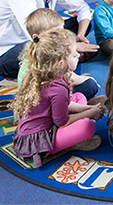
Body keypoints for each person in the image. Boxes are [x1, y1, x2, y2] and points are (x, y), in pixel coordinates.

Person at [13, 29, 104, 168]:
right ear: (60, 64)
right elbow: (62, 122)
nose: (79, 55)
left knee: (78, 96)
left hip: (40, 126)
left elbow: (66, 105)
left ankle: (87, 110)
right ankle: (74, 143)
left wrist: (87, 108)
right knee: (87, 127)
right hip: (38, 142)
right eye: (74, 55)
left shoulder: (45, 74)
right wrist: (89, 113)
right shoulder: (57, 89)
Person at [17, 9, 100, 101]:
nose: (61, 35)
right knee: (90, 85)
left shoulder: (36, 50)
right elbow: (71, 79)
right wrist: (89, 80)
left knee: (85, 78)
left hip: (39, 98)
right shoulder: (50, 58)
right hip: (45, 105)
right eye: (55, 33)